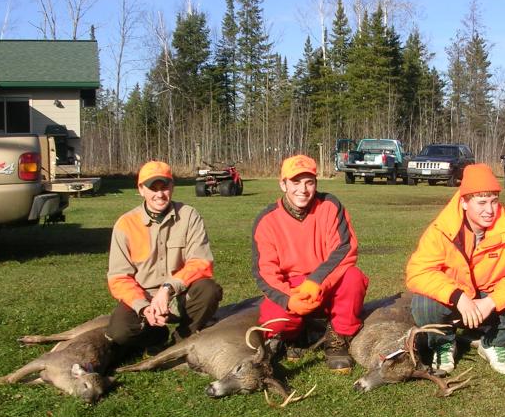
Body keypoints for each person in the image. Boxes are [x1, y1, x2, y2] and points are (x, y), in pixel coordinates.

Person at [405, 163, 505, 375]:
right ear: (464, 202)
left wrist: (491, 301)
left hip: (493, 295)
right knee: (423, 304)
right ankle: (443, 343)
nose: (489, 210)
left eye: (494, 201)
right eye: (481, 203)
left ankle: (492, 343)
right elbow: (418, 272)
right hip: (456, 297)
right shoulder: (441, 229)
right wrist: (458, 297)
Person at [252, 154, 369, 373]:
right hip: (292, 288)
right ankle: (294, 336)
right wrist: (288, 299)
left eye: (309, 182)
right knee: (274, 322)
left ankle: (338, 338)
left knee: (353, 277)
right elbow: (264, 271)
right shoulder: (267, 220)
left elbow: (344, 249)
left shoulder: (330, 205)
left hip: (325, 284)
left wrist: (316, 282)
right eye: (295, 182)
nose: (303, 189)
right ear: (282, 184)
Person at [106, 160, 223, 350]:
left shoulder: (188, 216)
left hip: (179, 294)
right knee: (120, 333)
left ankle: (182, 336)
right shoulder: (126, 224)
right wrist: (143, 306)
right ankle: (155, 333)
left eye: (164, 187)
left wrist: (168, 288)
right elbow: (119, 278)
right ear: (141, 189)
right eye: (153, 188)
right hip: (143, 296)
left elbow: (201, 262)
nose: (160, 194)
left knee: (209, 290)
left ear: (172, 187)